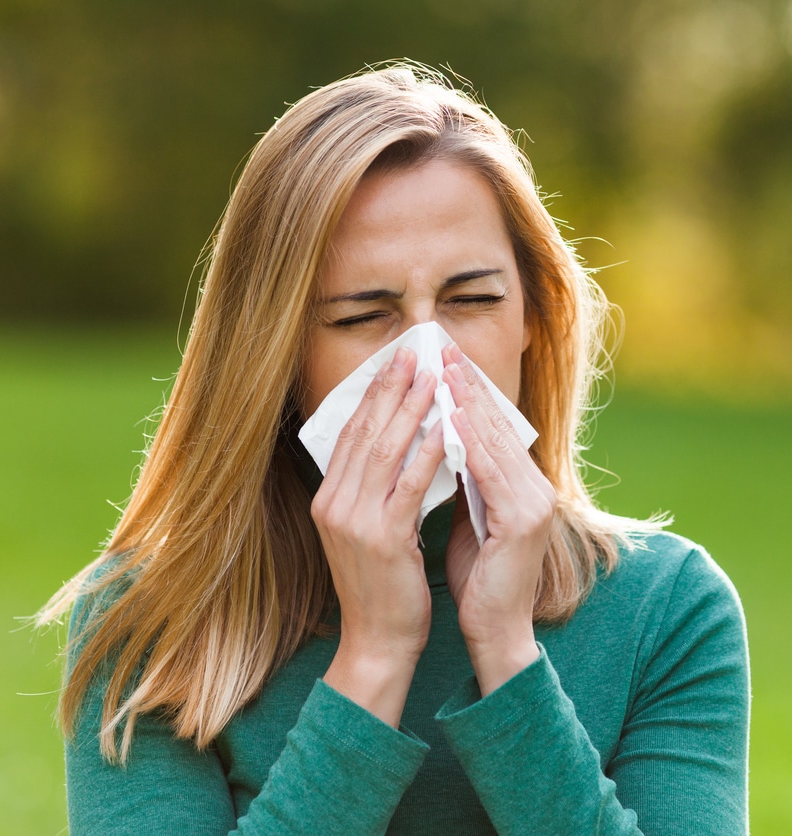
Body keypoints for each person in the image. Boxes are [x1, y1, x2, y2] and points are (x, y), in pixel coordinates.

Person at [38, 62, 750, 835]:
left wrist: (508, 654)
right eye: (361, 316)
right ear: (275, 353)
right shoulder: (155, 620)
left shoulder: (668, 609)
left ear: (533, 317)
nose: (426, 356)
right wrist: (372, 660)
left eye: (472, 300)